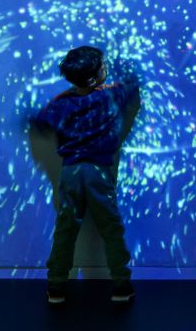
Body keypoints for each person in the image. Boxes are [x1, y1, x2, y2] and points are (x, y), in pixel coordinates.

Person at [30, 45, 140, 306]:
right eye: (103, 66)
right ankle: (121, 285)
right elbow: (132, 84)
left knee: (66, 229)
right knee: (111, 228)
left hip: (70, 172)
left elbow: (40, 121)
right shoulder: (110, 95)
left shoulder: (61, 103)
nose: (105, 68)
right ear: (93, 79)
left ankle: (56, 287)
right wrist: (123, 63)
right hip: (98, 172)